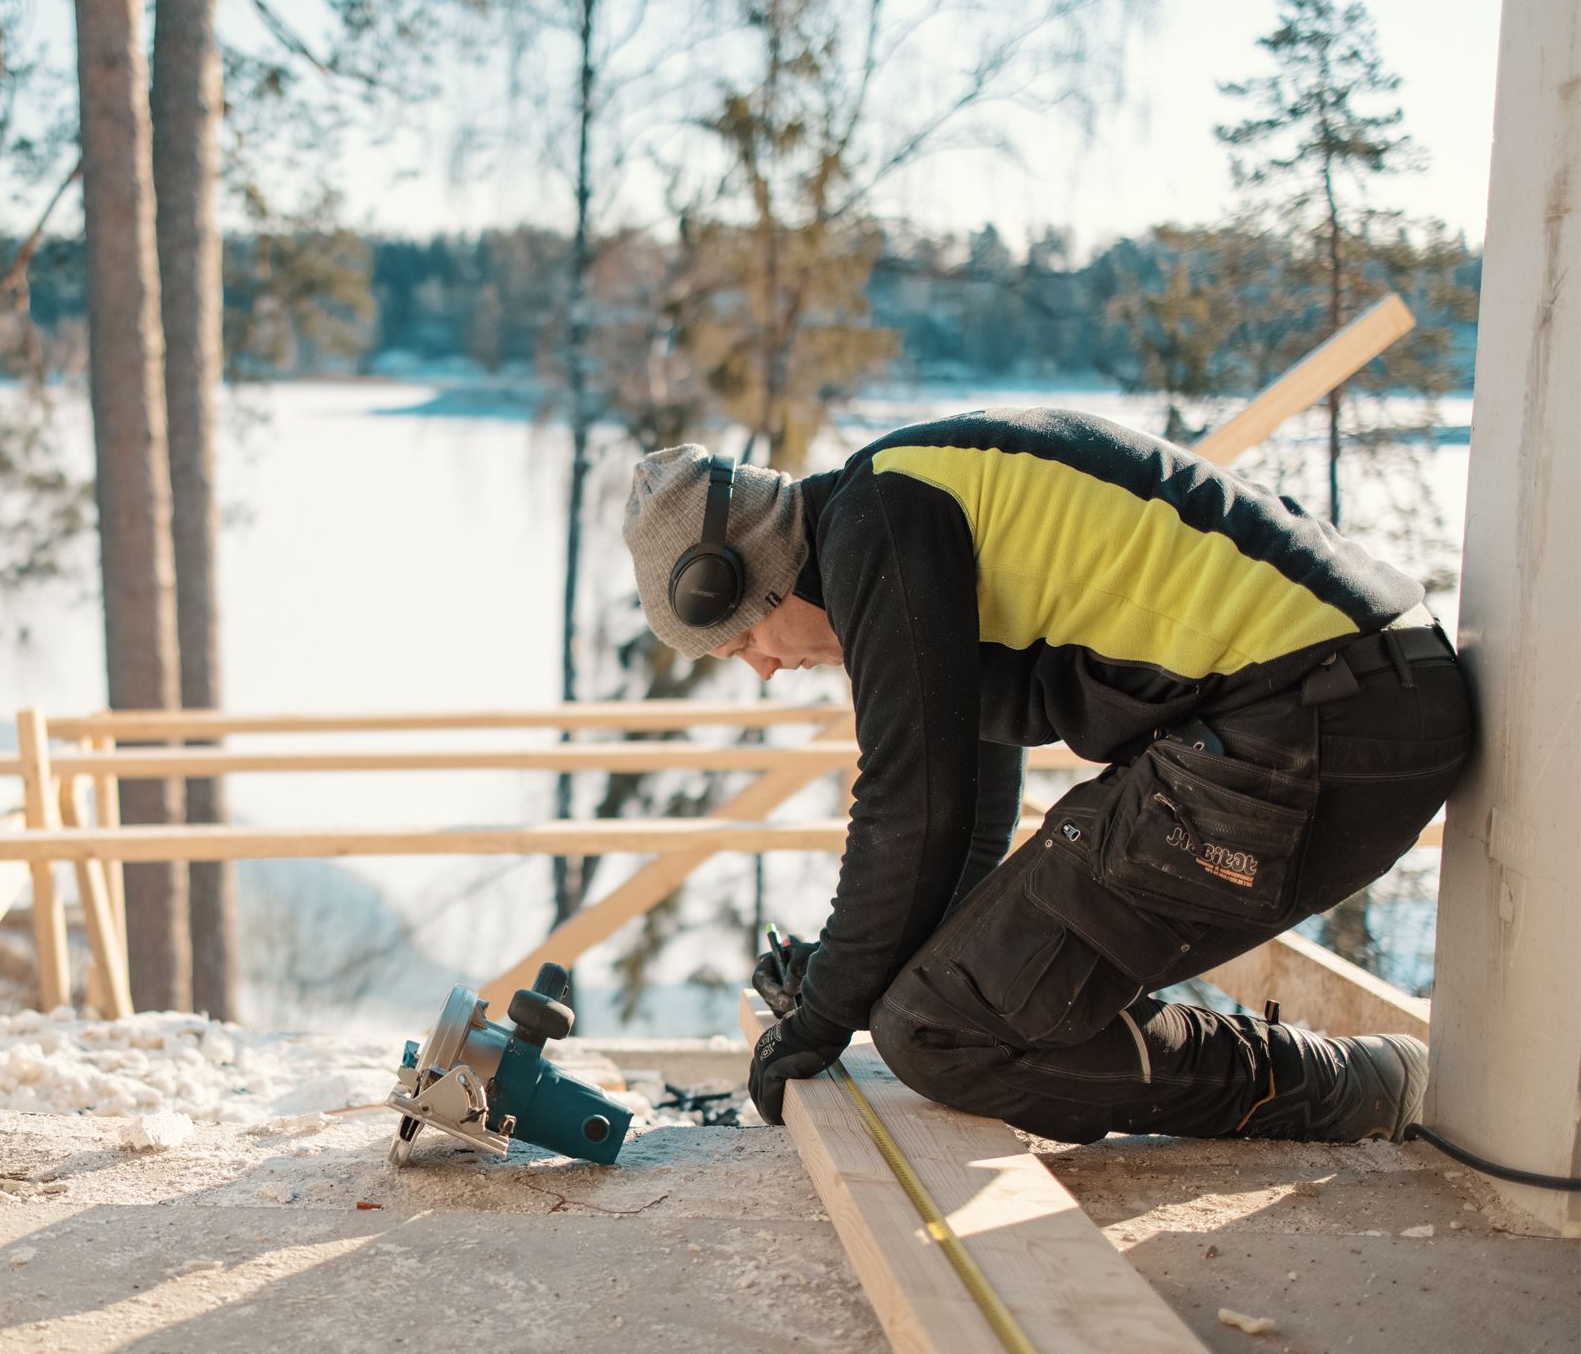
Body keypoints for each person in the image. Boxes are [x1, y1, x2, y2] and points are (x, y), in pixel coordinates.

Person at [621, 409, 1471, 1144]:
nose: (763, 670)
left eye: (741, 645)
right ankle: (1349, 1081)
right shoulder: (901, 507)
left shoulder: (880, 521)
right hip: (1358, 703)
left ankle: (1338, 1086)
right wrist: (846, 970)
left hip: (1325, 719)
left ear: (752, 578)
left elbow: (911, 809)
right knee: (963, 994)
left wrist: (820, 1018)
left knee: (940, 1030)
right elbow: (968, 825)